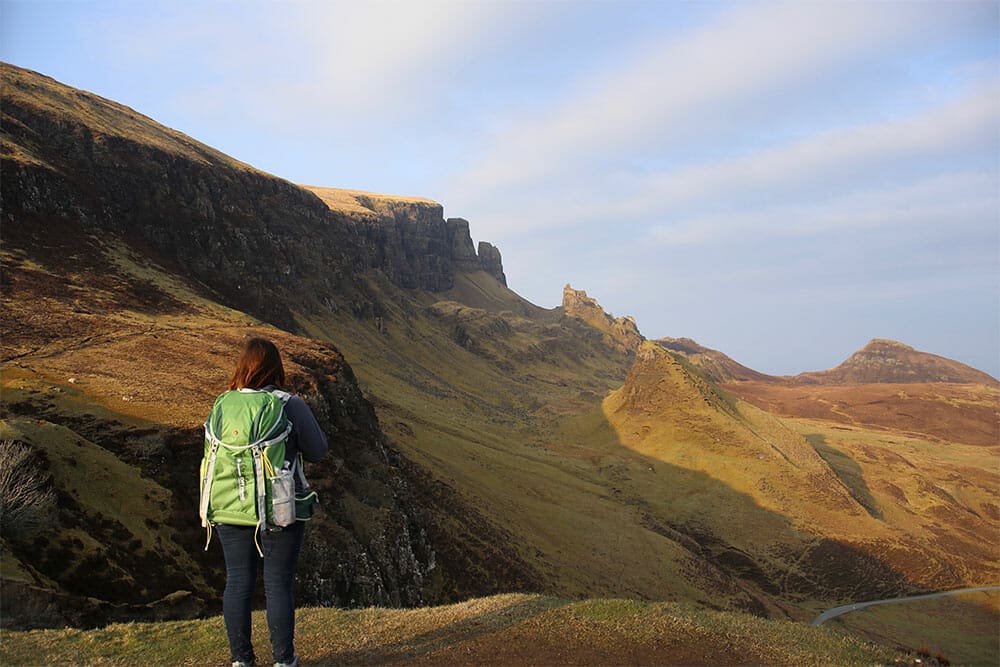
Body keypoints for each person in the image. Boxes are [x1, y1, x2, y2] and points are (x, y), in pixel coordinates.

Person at [213, 337, 328, 667]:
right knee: (278, 584)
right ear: (276, 369)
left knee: (237, 582)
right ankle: (283, 660)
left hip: (230, 505)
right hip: (278, 508)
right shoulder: (289, 404)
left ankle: (241, 661)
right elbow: (318, 450)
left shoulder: (223, 404)